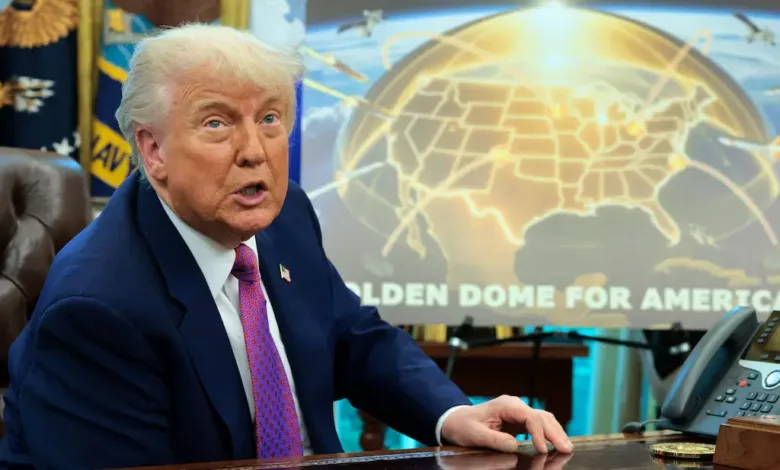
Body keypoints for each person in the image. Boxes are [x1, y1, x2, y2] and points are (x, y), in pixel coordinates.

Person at [0, 23, 573, 469]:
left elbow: (352, 335)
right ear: (152, 151)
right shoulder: (98, 312)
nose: (255, 151)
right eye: (218, 124)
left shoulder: (284, 215)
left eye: (270, 118)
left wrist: (453, 414)